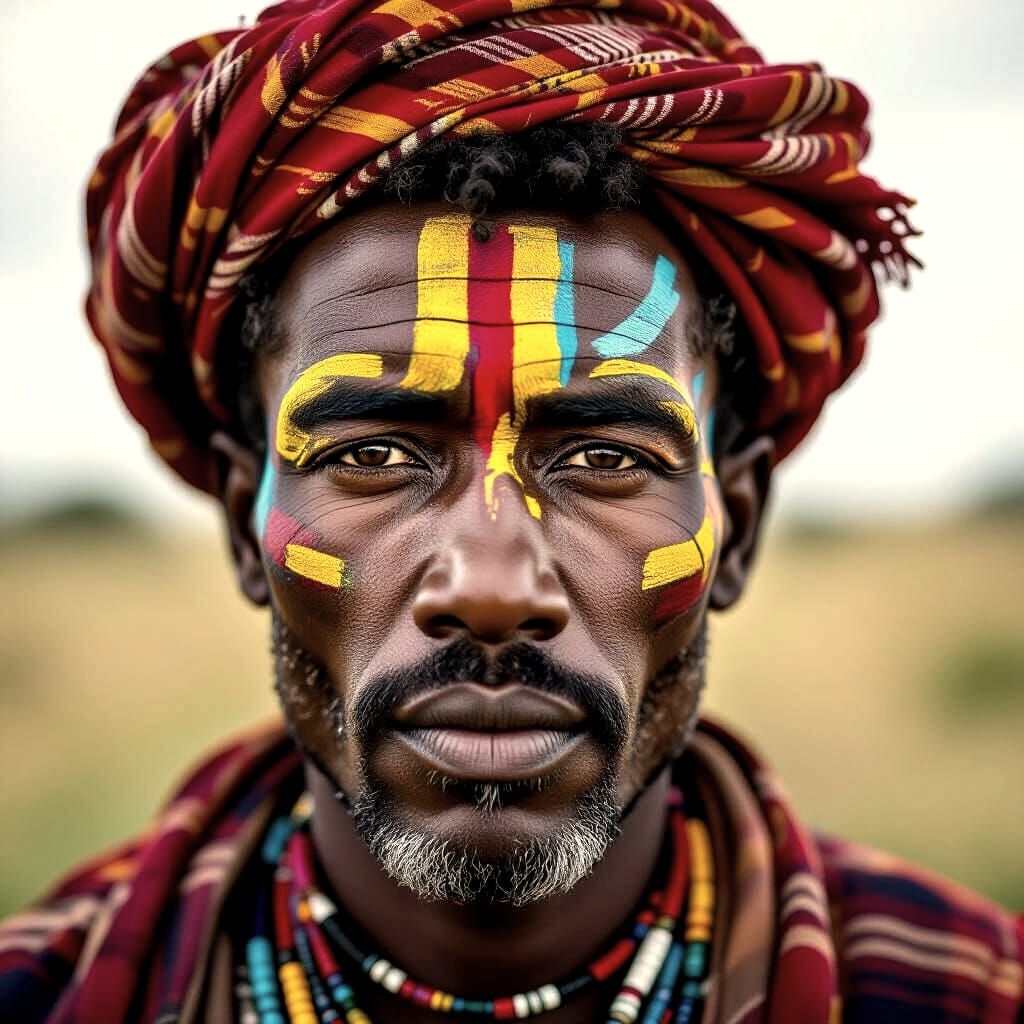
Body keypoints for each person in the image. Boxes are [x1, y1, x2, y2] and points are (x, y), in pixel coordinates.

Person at [1, 0, 1021, 1021]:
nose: (491, 587)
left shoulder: (958, 992)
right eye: (374, 454)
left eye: (606, 456)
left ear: (737, 527)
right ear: (241, 518)